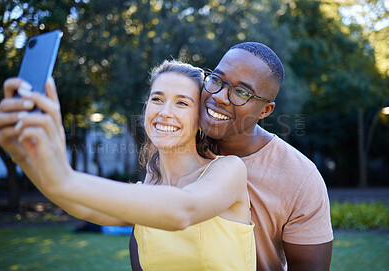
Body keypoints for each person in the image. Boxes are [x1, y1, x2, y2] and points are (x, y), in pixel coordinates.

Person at [0, 60, 256, 270]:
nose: (164, 111)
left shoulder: (228, 170)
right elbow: (78, 204)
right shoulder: (145, 191)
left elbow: (182, 210)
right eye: (157, 99)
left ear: (200, 119)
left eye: (182, 103)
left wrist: (65, 176)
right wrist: (26, 158)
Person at [127, 42, 334, 271]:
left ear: (265, 111)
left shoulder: (300, 177)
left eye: (242, 92)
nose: (221, 97)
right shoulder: (178, 145)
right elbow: (144, 238)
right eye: (216, 79)